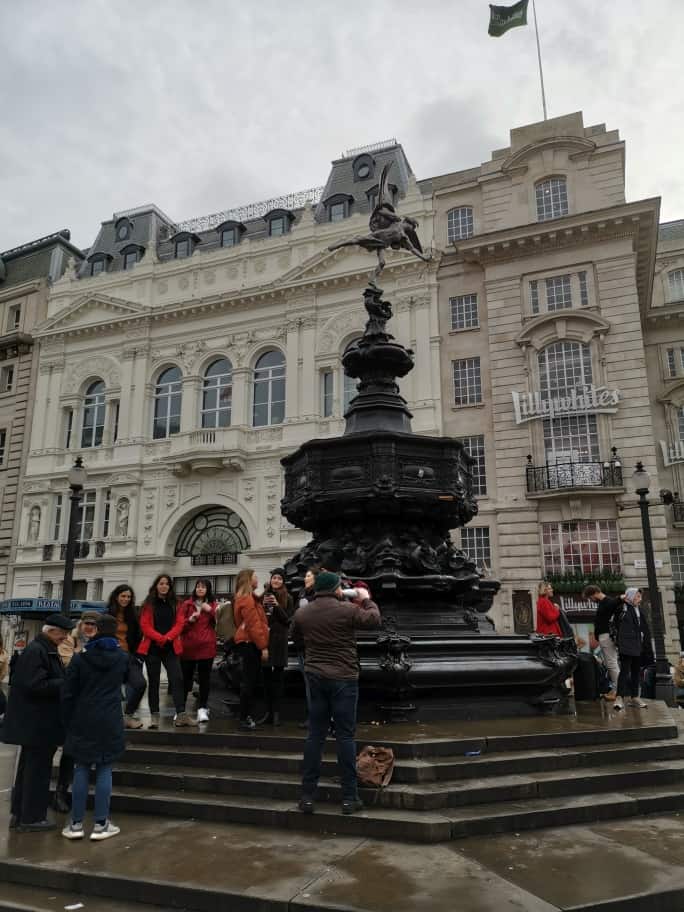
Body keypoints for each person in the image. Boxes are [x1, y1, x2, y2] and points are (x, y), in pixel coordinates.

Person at [292, 571, 381, 815]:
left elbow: (295, 637)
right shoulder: (347, 610)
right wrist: (365, 598)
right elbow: (374, 620)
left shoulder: (303, 612)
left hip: (315, 677)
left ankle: (307, 796)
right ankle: (349, 798)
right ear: (335, 588)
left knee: (315, 736)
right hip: (344, 677)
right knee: (345, 737)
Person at [61, 613, 129, 841]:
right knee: (105, 768)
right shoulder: (122, 657)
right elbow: (138, 682)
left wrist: (67, 719)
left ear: (98, 630)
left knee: (81, 767)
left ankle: (76, 823)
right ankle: (101, 824)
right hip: (109, 716)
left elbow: (68, 692)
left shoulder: (81, 658)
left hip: (83, 716)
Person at [4, 613, 73, 831]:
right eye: (63, 634)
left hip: (36, 724)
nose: (65, 638)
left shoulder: (42, 649)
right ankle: (32, 817)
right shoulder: (39, 651)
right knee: (36, 772)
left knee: (29, 770)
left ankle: (20, 814)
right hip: (38, 725)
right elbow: (35, 685)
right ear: (52, 631)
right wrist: (66, 683)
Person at [53, 609, 101, 813]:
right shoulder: (70, 641)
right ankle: (61, 791)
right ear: (80, 625)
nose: (89, 627)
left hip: (93, 702)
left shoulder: (101, 644)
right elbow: (67, 664)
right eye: (86, 623)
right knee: (69, 749)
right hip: (73, 702)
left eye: (93, 624)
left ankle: (80, 790)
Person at [137, 574, 197, 728]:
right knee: (154, 683)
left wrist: (168, 638)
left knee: (177, 679)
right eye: (161, 583)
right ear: (156, 585)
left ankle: (181, 715)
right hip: (153, 649)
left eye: (167, 584)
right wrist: (160, 638)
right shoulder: (148, 604)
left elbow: (180, 624)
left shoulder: (177, 603)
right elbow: (145, 626)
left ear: (170, 586)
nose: (164, 586)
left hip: (171, 648)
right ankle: (154, 716)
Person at [105, 585, 146, 729]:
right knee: (112, 689)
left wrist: (138, 656)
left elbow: (138, 635)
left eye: (128, 597)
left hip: (128, 656)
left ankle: (128, 715)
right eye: (123, 596)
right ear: (116, 596)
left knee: (140, 684)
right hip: (110, 656)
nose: (126, 599)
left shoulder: (133, 615)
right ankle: (113, 718)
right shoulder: (107, 613)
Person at [233, 568, 269, 731]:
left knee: (249, 681)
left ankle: (245, 715)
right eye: (255, 577)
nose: (257, 580)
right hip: (250, 643)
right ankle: (244, 716)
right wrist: (263, 647)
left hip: (246, 642)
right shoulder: (247, 600)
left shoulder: (244, 598)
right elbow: (254, 625)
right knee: (249, 682)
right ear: (248, 580)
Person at [179, 578, 218, 723]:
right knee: (185, 679)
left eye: (203, 587)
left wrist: (211, 610)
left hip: (206, 648)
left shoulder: (212, 604)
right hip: (188, 648)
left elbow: (222, 621)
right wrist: (189, 620)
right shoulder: (186, 604)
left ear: (208, 589)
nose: (200, 589)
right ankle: (180, 710)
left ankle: (202, 708)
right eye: (198, 587)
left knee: (204, 679)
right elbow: (179, 627)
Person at [260, 568, 294, 726]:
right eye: (274, 578)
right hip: (265, 641)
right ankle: (267, 712)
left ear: (283, 581)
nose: (276, 581)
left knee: (278, 680)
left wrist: (277, 605)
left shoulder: (288, 598)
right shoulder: (262, 597)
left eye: (280, 578)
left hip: (280, 642)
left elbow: (288, 620)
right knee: (266, 680)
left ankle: (276, 714)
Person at [614, 587, 652, 711]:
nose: (639, 599)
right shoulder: (622, 607)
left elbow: (643, 628)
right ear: (630, 596)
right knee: (624, 671)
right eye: (637, 596)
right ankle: (619, 697)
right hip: (626, 644)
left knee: (636, 672)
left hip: (637, 644)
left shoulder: (638, 610)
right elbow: (615, 622)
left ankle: (635, 697)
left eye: (640, 597)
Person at [582, 584, 622, 701]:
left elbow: (615, 602)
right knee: (611, 664)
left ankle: (617, 691)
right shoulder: (604, 603)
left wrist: (621, 597)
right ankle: (616, 689)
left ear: (594, 593)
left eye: (590, 598)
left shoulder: (607, 602)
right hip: (605, 636)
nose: (591, 601)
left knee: (612, 664)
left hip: (606, 636)